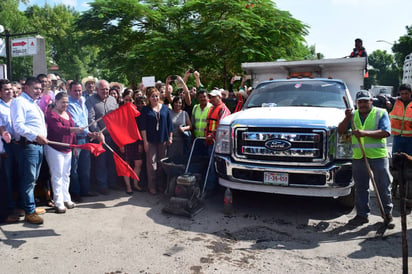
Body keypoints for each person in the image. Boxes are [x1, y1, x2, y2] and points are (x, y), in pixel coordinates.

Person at [338, 90, 393, 226]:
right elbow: (340, 131)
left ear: (371, 101)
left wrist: (364, 133)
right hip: (359, 157)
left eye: (365, 101)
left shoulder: (381, 113)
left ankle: (387, 214)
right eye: (360, 102)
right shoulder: (353, 115)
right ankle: (362, 215)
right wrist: (346, 118)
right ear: (357, 103)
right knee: (361, 188)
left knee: (383, 186)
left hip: (378, 156)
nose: (362, 104)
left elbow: (386, 132)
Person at [10, 77, 48, 225]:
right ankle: (29, 211)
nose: (39, 91)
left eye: (40, 89)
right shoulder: (19, 102)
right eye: (35, 88)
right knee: (29, 179)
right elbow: (18, 126)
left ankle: (25, 206)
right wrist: (36, 136)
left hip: (37, 145)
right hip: (28, 145)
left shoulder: (33, 103)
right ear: (26, 88)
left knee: (32, 179)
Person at [44, 92, 83, 213]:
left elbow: (72, 132)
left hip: (68, 148)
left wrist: (75, 145)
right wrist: (75, 129)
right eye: (63, 102)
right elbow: (59, 129)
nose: (65, 104)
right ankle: (58, 201)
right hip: (55, 148)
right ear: (56, 101)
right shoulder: (51, 115)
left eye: (67, 102)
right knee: (57, 175)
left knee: (66, 174)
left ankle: (66, 198)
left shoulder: (68, 114)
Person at [86, 79, 119, 195]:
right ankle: (102, 185)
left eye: (107, 89)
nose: (105, 91)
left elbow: (117, 116)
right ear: (96, 89)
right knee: (101, 162)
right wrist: (98, 133)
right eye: (102, 89)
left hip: (113, 136)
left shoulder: (113, 100)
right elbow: (91, 119)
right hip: (99, 137)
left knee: (112, 160)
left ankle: (112, 182)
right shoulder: (90, 101)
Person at [67, 81, 98, 202]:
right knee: (74, 167)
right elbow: (75, 122)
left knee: (86, 166)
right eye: (75, 90)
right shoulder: (69, 103)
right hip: (76, 139)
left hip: (85, 138)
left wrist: (90, 131)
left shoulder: (83, 101)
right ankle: (75, 192)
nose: (78, 93)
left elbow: (86, 119)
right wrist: (88, 132)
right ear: (70, 90)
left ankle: (85, 190)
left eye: (79, 90)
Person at [140, 87, 173, 195]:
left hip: (162, 139)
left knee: (161, 164)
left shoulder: (164, 108)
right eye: (152, 96)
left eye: (156, 96)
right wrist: (145, 142)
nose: (155, 98)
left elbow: (169, 125)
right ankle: (151, 186)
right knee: (151, 165)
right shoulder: (146, 110)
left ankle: (160, 185)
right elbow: (143, 127)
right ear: (149, 98)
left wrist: (170, 137)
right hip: (150, 141)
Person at [203, 89, 231, 197]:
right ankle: (210, 186)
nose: (211, 99)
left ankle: (211, 188)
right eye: (210, 97)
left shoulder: (223, 109)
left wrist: (212, 136)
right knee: (210, 165)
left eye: (213, 97)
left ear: (219, 97)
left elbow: (221, 126)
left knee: (212, 166)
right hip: (209, 141)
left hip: (217, 143)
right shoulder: (211, 108)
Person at [0, 79, 20, 223]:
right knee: (7, 178)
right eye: (6, 89)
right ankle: (10, 208)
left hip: (19, 144)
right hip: (6, 145)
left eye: (10, 89)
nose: (10, 92)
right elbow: (1, 127)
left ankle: (20, 205)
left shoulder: (17, 104)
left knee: (19, 175)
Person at [388, 84, 412, 155]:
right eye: (402, 94)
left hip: (410, 138)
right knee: (396, 159)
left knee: (409, 160)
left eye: (406, 93)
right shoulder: (395, 101)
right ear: (399, 93)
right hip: (397, 137)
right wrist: (387, 101)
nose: (404, 96)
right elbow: (381, 96)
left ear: (411, 93)